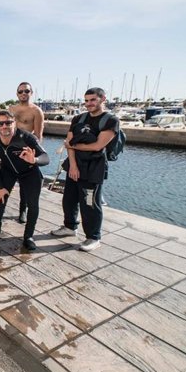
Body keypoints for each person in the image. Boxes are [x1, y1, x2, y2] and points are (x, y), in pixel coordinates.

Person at [50, 87, 120, 252]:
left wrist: (73, 145)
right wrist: (73, 165)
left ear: (103, 99)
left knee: (90, 204)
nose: (88, 104)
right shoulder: (78, 118)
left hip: (94, 168)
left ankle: (93, 237)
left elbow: (97, 146)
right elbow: (69, 143)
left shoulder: (110, 121)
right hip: (75, 165)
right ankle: (69, 227)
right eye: (86, 100)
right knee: (69, 199)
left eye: (93, 100)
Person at [0, 111, 49, 250]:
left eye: (8, 122)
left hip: (30, 172)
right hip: (8, 171)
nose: (4, 126)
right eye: (0, 123)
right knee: (0, 201)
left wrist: (35, 160)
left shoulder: (26, 137)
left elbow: (46, 157)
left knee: (33, 204)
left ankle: (28, 236)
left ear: (14, 122)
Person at [9, 82, 45, 224]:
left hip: (26, 150)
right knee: (7, 179)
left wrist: (32, 154)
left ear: (31, 93)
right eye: (21, 91)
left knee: (25, 184)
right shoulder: (11, 108)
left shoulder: (36, 111)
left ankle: (22, 209)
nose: (23, 93)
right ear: (17, 93)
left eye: (26, 91)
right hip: (11, 150)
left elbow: (38, 135)